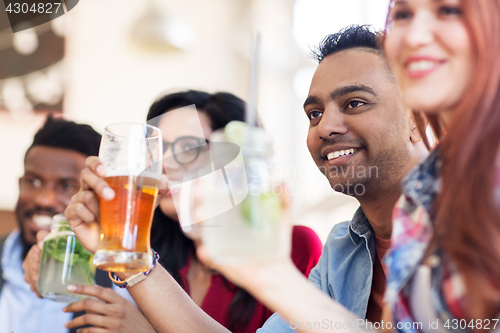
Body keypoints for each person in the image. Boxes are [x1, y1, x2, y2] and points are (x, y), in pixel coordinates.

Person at [52, 25, 427, 333]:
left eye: (355, 103)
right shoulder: (342, 252)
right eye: (314, 113)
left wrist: (275, 279)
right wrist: (132, 261)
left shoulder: (474, 228)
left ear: (419, 117)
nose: (325, 127)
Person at [53, 90, 323, 333]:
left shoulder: (293, 247)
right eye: (159, 151)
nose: (166, 167)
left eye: (188, 148)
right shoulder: (153, 246)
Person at [0, 115, 155, 333]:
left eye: (66, 186)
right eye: (33, 181)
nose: (44, 200)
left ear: (97, 192)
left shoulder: (128, 286)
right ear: (20, 183)